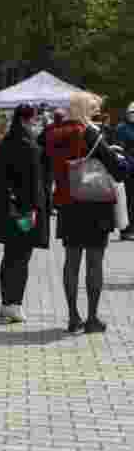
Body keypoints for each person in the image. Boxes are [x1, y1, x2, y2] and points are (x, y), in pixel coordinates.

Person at [45, 92, 125, 334]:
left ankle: (72, 316)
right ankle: (91, 318)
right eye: (93, 109)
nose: (95, 114)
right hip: (94, 204)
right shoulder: (89, 132)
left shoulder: (54, 133)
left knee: (71, 261)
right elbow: (116, 168)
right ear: (85, 110)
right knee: (94, 262)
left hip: (67, 204)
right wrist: (123, 161)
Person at [0, 104, 50, 323]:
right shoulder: (29, 146)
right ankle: (15, 304)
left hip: (7, 209)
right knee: (21, 258)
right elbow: (32, 184)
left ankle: (5, 303)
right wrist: (32, 211)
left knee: (9, 256)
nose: (37, 124)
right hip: (24, 211)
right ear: (28, 120)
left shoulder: (6, 142)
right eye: (36, 119)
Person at [114, 103, 134, 240]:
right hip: (128, 168)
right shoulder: (122, 128)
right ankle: (126, 230)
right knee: (127, 200)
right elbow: (120, 149)